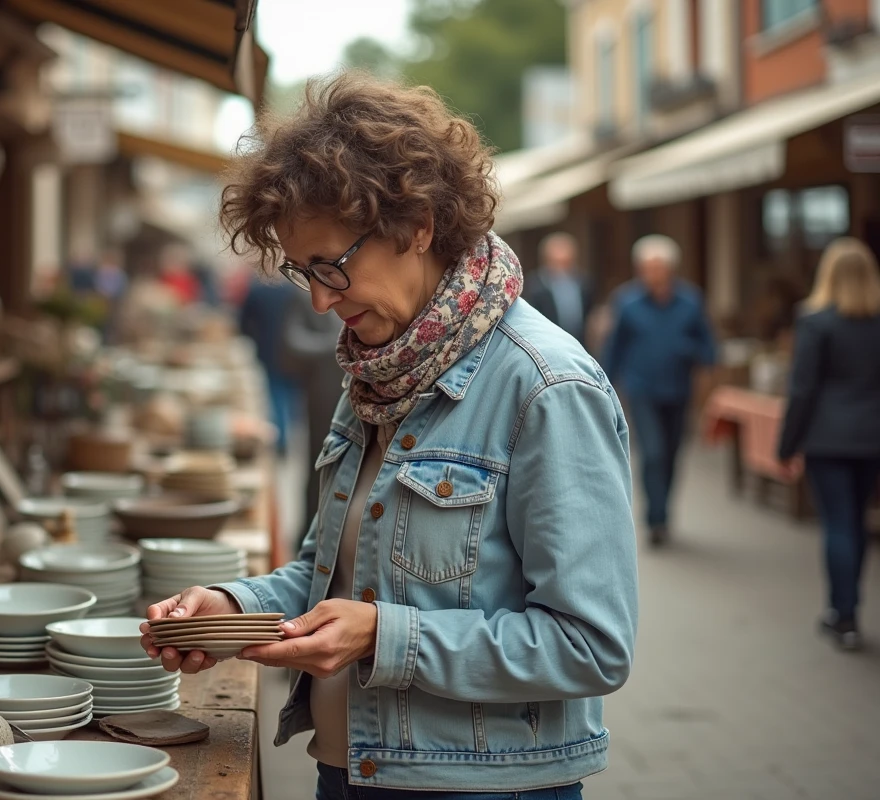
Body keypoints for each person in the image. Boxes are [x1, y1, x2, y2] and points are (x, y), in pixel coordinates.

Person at [139, 72, 638, 799]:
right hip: (349, 773)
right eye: (300, 272)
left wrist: (385, 635)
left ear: (417, 226)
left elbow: (591, 646)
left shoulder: (548, 386)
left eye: (332, 268)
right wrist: (232, 605)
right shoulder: (378, 367)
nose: (316, 300)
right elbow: (329, 572)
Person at [777, 238, 880, 651]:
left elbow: (802, 389)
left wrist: (787, 444)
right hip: (871, 437)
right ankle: (850, 608)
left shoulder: (816, 321)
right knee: (856, 521)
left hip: (827, 436)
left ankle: (843, 613)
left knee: (838, 524)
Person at [602, 235, 717, 547]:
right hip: (642, 389)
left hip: (678, 390)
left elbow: (708, 347)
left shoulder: (690, 301)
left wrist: (690, 351)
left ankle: (664, 508)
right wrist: (604, 386)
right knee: (652, 453)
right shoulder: (626, 302)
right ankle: (656, 518)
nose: (651, 274)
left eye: (657, 268)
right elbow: (615, 348)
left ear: (670, 269)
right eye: (646, 268)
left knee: (671, 454)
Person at [280, 290, 344, 540]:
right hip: (323, 399)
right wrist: (336, 344)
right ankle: (310, 535)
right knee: (319, 469)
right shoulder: (306, 297)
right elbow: (292, 342)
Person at [239, 274, 302, 454]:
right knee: (290, 393)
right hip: (293, 351)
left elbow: (243, 322)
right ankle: (289, 433)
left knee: (276, 394)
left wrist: (254, 337)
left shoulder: (257, 290)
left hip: (268, 349)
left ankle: (281, 438)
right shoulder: (293, 290)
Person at [522, 232, 593, 345]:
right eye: (556, 263)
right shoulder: (535, 286)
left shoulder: (584, 284)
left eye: (566, 263)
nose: (561, 270)